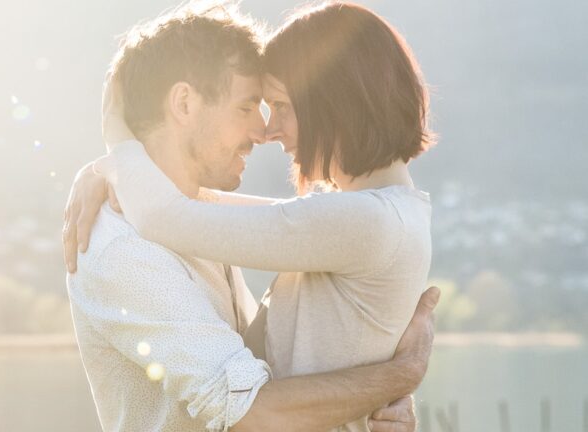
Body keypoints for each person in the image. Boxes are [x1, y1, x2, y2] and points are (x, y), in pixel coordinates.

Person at [64, 3, 437, 432]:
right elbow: (251, 409)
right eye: (250, 107)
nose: (266, 130)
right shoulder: (123, 246)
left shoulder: (364, 221)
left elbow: (173, 216)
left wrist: (116, 150)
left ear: (331, 102)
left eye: (279, 106)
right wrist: (397, 375)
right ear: (184, 102)